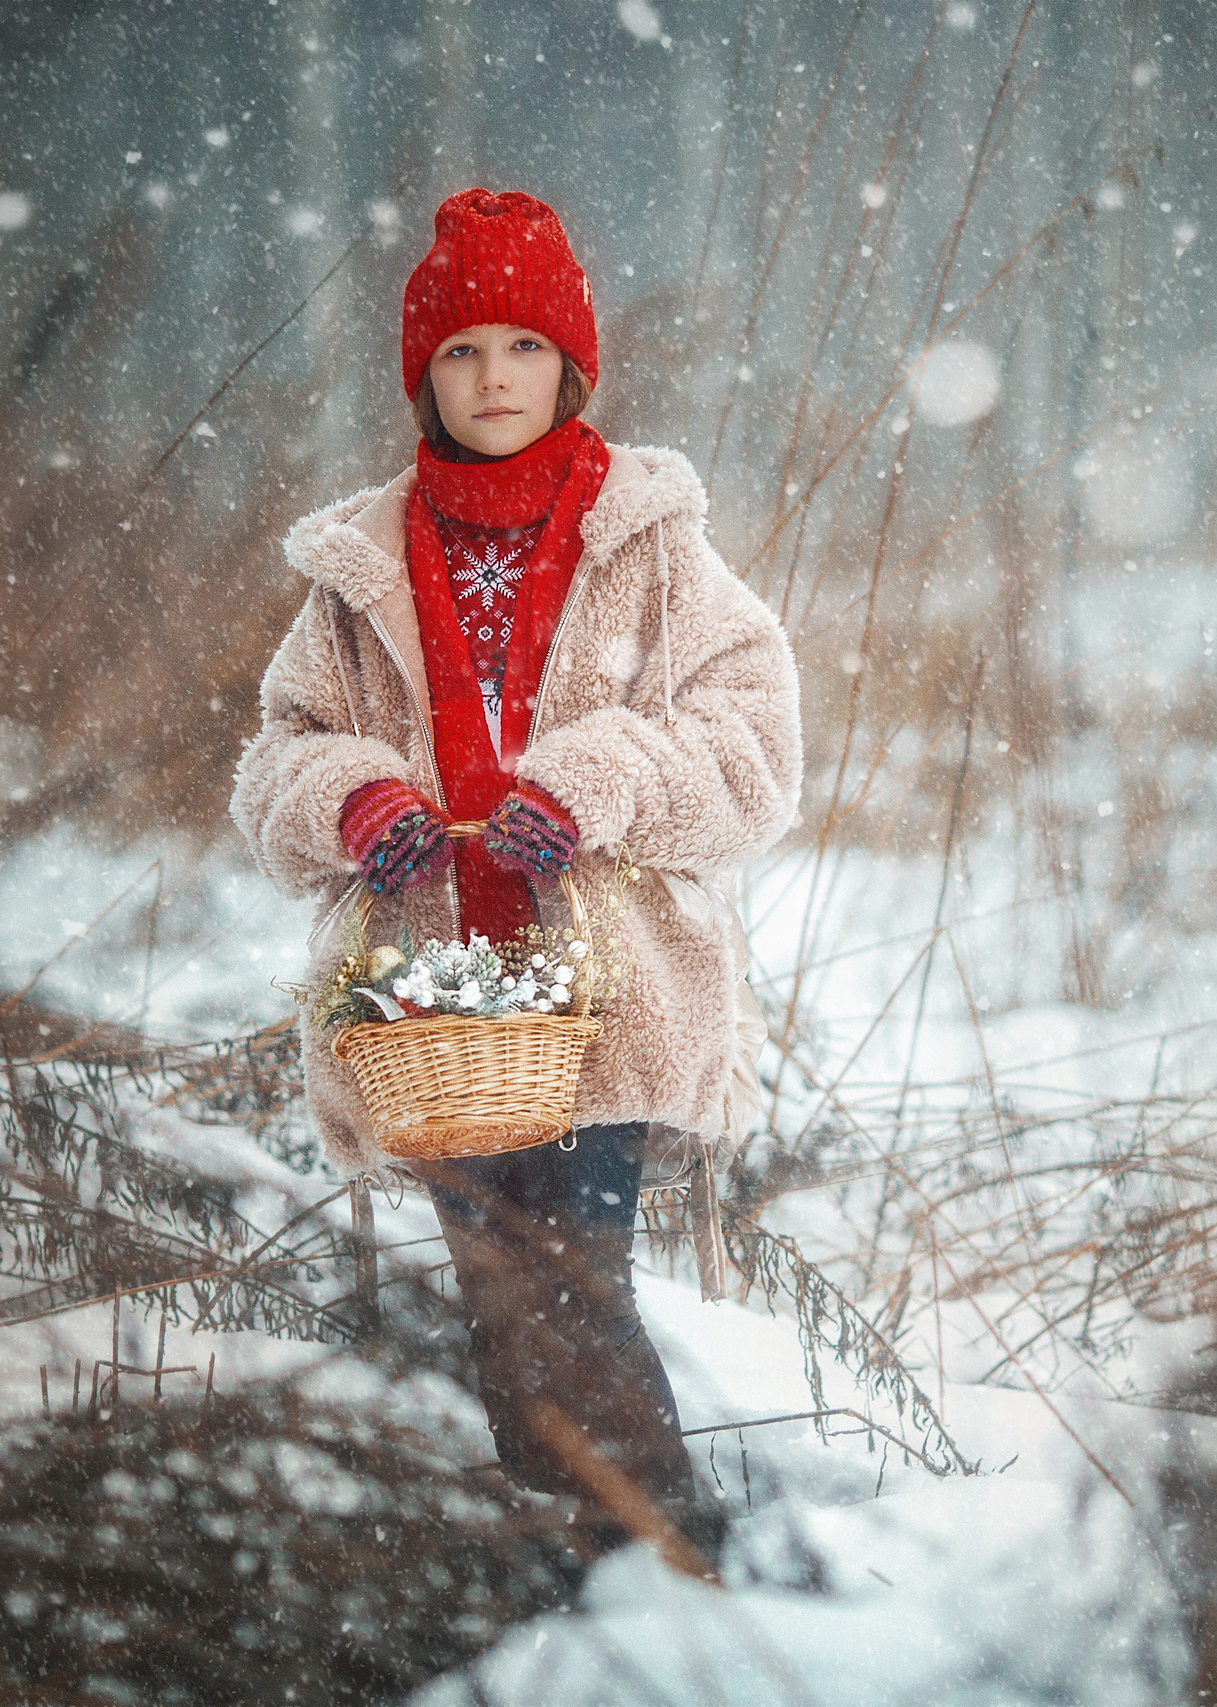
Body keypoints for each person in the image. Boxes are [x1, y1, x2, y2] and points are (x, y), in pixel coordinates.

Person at [229, 188, 802, 1555]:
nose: (497, 380)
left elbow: (752, 748)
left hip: (608, 998)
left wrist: (599, 785)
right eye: (465, 353)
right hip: (435, 1003)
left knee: (575, 1282)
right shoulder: (360, 565)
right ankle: (565, 1554)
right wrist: (352, 798)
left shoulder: (655, 546)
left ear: (573, 366)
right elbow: (275, 762)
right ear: (425, 377)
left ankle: (674, 1551)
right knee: (496, 1296)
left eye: (526, 350)